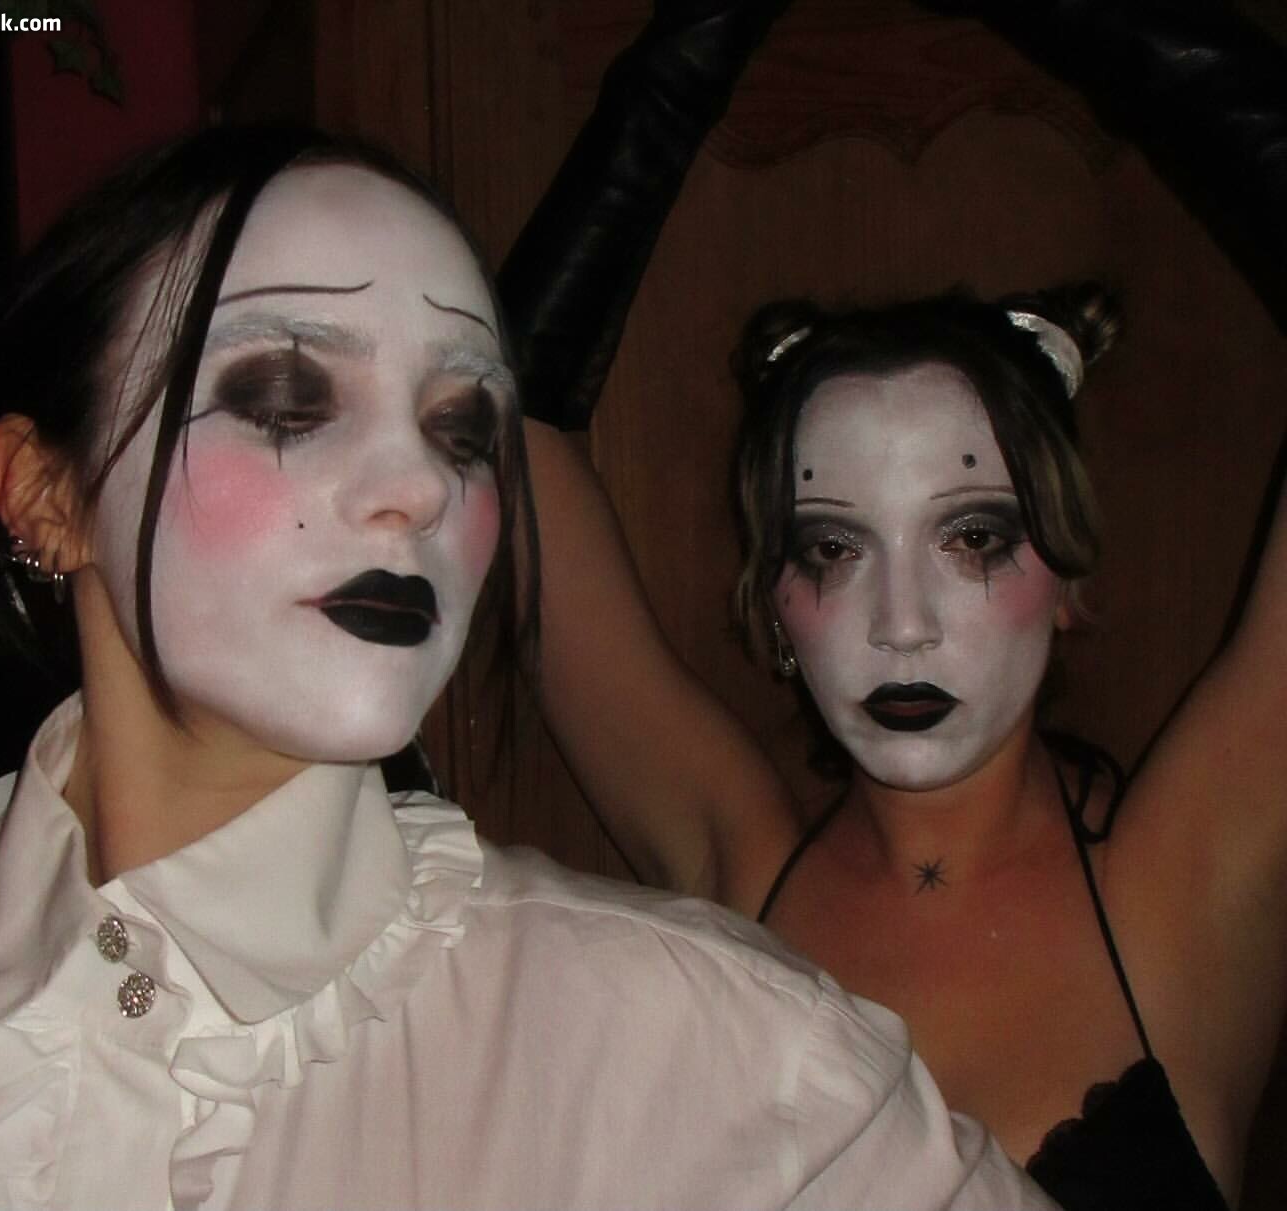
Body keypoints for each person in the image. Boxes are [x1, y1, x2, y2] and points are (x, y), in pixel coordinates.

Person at [0, 124, 1052, 1210]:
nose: (422, 484)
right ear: (44, 495)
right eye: (286, 400)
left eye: (463, 427)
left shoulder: (716, 1054)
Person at [525, 278, 1287, 1210]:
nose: (902, 626)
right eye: (833, 547)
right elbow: (508, 424)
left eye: (971, 535)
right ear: (774, 605)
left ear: (1066, 575)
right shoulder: (741, 880)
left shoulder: (1185, 889)